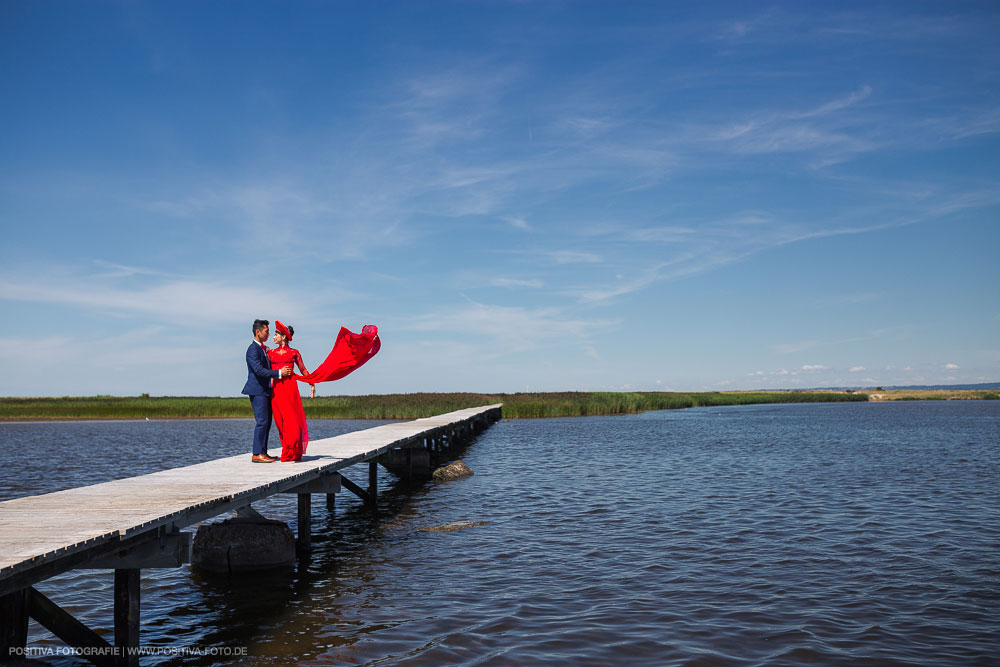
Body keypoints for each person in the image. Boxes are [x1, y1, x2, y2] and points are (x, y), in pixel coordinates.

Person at [242, 319, 292, 463]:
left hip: (265, 390)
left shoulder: (262, 349)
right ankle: (257, 454)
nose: (269, 334)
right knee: (262, 422)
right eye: (266, 331)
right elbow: (258, 370)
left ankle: (263, 452)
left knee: (267, 422)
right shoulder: (252, 349)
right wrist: (279, 373)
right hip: (257, 390)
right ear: (258, 332)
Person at [268, 320, 314, 462]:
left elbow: (303, 369)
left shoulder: (294, 353)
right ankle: (286, 449)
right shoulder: (270, 353)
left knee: (292, 421)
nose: (273, 337)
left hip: (290, 389)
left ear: (283, 337)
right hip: (276, 390)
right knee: (279, 421)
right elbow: (265, 371)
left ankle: (292, 451)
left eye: (276, 334)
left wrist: (312, 384)